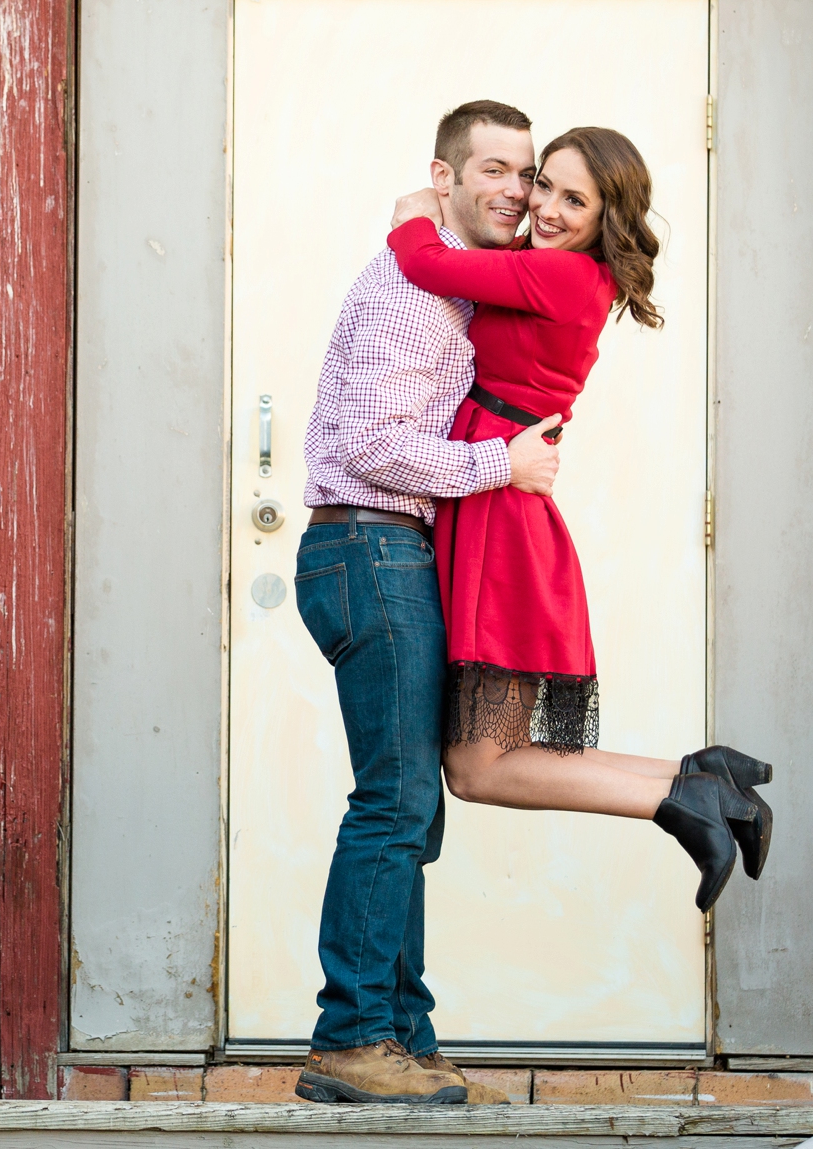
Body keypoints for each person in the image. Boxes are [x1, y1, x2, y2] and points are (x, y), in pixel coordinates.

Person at [383, 126, 776, 919]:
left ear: (607, 217)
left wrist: (413, 210)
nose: (549, 209)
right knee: (483, 762)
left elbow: (424, 262)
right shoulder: (554, 270)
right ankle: (697, 778)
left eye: (575, 199)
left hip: (497, 515)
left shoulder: (561, 273)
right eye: (545, 186)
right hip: (494, 502)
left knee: (477, 768)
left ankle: (684, 799)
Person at [291, 101, 563, 1107]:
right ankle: (351, 1035)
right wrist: (505, 463)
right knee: (395, 801)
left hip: (380, 551)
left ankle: (400, 1036)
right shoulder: (415, 292)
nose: (515, 190)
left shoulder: (446, 285)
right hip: (368, 546)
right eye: (492, 168)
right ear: (442, 177)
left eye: (526, 173)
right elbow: (369, 445)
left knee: (409, 802)